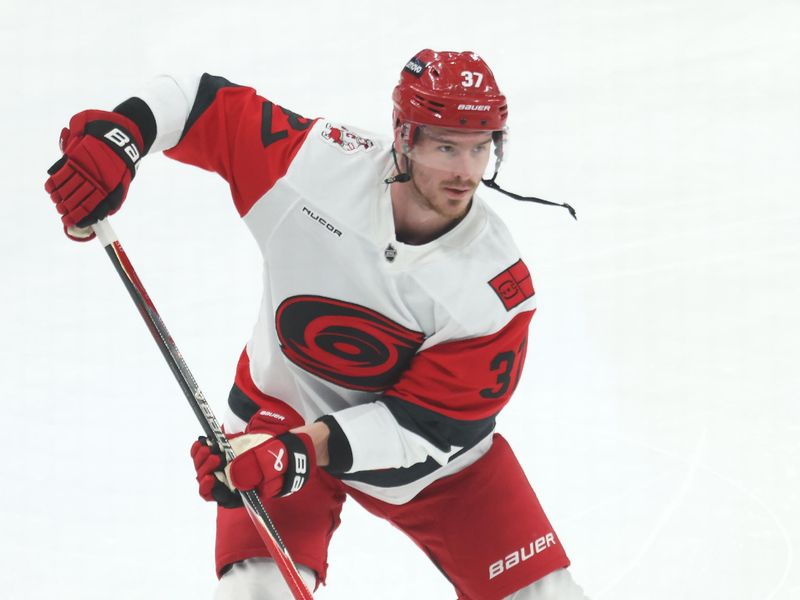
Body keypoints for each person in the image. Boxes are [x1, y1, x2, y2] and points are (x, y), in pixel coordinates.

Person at [45, 49, 588, 600]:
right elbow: (200, 104)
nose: (465, 171)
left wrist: (300, 452)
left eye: (480, 147)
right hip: (278, 417)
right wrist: (125, 137)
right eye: (446, 146)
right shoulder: (316, 169)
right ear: (404, 138)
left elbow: (422, 430)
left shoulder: (496, 290)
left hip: (430, 465)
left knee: (548, 594)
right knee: (255, 592)